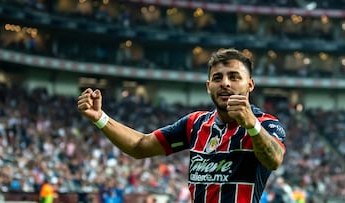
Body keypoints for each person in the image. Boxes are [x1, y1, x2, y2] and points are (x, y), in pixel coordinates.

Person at [77, 48, 287, 203]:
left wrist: (251, 125)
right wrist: (100, 117)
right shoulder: (195, 124)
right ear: (208, 87)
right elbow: (139, 146)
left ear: (250, 84)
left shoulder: (265, 124)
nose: (225, 83)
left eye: (234, 77)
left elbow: (274, 159)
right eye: (217, 78)